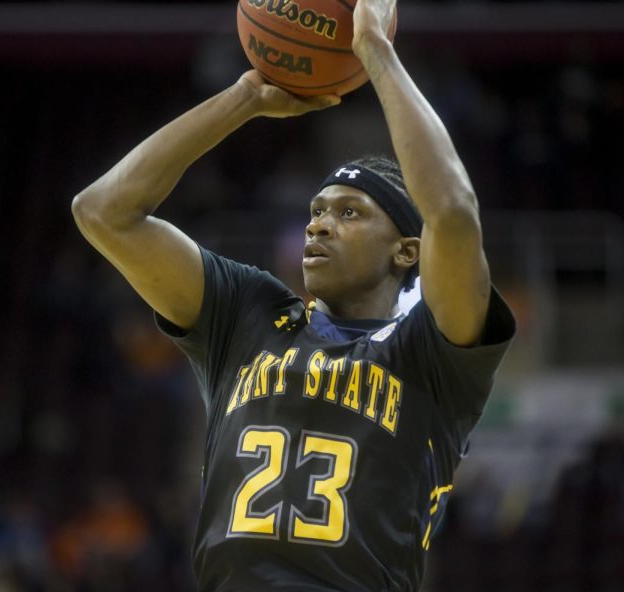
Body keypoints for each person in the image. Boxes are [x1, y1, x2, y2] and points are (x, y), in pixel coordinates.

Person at [72, 0, 515, 589]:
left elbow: (454, 213)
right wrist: (246, 98)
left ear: (406, 251)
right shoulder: (247, 314)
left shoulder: (432, 355)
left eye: (350, 213)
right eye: (316, 212)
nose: (319, 225)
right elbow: (103, 212)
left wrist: (375, 52)